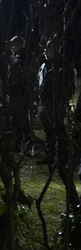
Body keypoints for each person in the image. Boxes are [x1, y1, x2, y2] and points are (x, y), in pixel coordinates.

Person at [37, 38, 76, 166]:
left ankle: (62, 159)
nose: (45, 51)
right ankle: (50, 156)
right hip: (44, 103)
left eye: (47, 49)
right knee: (48, 132)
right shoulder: (44, 66)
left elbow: (70, 87)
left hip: (56, 104)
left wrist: (61, 99)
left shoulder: (63, 66)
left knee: (60, 132)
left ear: (55, 50)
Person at [2, 35, 34, 154]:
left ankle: (29, 146)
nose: (11, 48)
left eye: (13, 45)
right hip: (13, 94)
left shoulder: (25, 58)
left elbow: (26, 78)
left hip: (22, 95)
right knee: (14, 121)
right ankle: (17, 145)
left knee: (23, 121)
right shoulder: (13, 57)